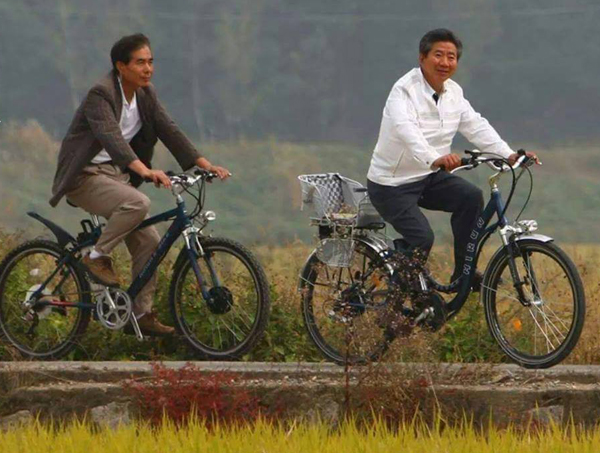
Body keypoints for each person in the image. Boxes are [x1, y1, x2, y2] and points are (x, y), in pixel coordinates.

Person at [50, 33, 230, 335]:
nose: (148, 69)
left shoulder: (146, 95)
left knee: (149, 240)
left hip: (115, 176)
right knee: (138, 202)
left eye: (150, 62)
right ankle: (95, 257)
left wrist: (205, 165)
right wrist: (144, 171)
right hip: (84, 177)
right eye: (140, 62)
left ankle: (141, 315)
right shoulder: (101, 93)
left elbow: (168, 129)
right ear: (121, 66)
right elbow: (112, 138)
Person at [367, 28, 537, 287]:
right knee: (422, 238)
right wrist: (436, 158)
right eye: (438, 55)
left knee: (470, 198)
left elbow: (475, 125)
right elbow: (407, 131)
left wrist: (508, 154)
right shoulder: (403, 92)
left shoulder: (453, 93)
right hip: (392, 185)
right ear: (422, 58)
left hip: (428, 178)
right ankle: (395, 305)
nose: (445, 63)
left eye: (451, 57)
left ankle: (463, 275)